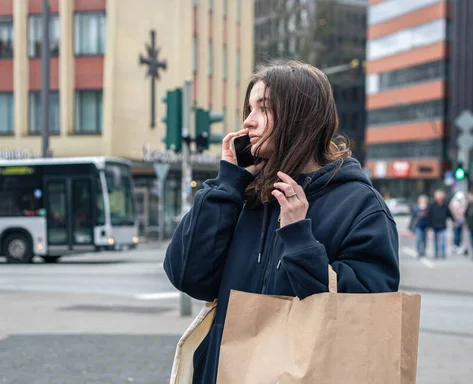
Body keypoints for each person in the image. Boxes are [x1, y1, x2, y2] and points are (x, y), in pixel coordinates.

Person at [164, 60, 400, 383]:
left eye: (263, 108)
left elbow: (368, 315)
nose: (247, 122)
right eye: (249, 108)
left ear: (300, 118)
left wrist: (300, 239)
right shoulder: (244, 194)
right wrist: (226, 184)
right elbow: (187, 275)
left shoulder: (360, 205)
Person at [427, 190, 454, 259]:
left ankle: (443, 253)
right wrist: (429, 225)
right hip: (434, 225)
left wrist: (453, 220)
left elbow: (449, 214)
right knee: (435, 241)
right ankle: (436, 253)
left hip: (442, 225)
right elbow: (429, 215)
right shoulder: (432, 205)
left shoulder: (445, 205)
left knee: (443, 240)